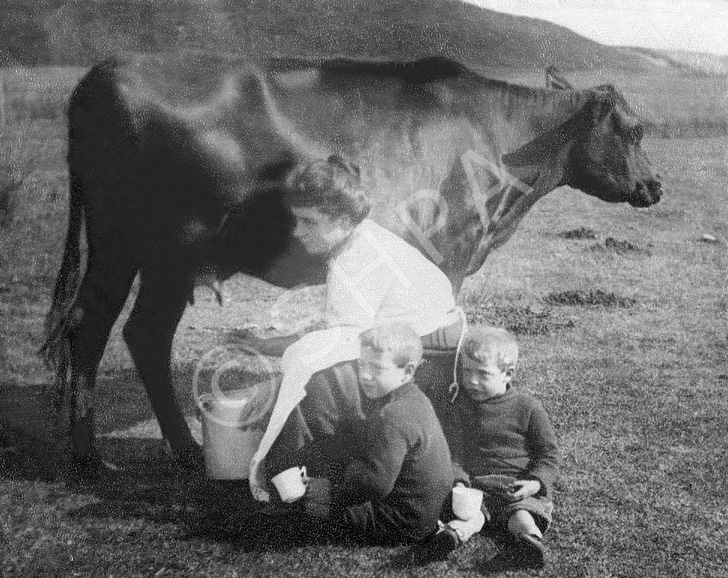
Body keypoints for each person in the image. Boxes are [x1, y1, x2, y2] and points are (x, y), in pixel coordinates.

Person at [239, 155, 463, 500]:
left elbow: (339, 337)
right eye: (297, 221)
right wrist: (266, 345)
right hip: (416, 334)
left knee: (318, 378)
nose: (297, 232)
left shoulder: (359, 258)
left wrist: (279, 370)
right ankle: (296, 469)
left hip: (431, 346)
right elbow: (340, 328)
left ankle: (289, 477)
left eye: (308, 222)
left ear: (343, 220)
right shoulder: (357, 241)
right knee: (308, 363)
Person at [298, 323, 455, 545]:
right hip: (423, 511)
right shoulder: (414, 399)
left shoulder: (393, 415)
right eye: (362, 365)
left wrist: (332, 493)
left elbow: (375, 484)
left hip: (401, 521)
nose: (365, 376)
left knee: (308, 510)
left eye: (377, 368)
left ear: (407, 371)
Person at [434, 326, 560, 570]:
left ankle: (529, 541)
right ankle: (451, 536)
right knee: (471, 516)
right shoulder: (460, 407)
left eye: (483, 374)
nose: (471, 380)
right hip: (477, 487)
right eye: (466, 371)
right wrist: (460, 481)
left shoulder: (528, 408)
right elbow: (454, 453)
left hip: (518, 487)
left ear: (507, 373)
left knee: (521, 515)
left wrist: (534, 483)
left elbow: (548, 454)